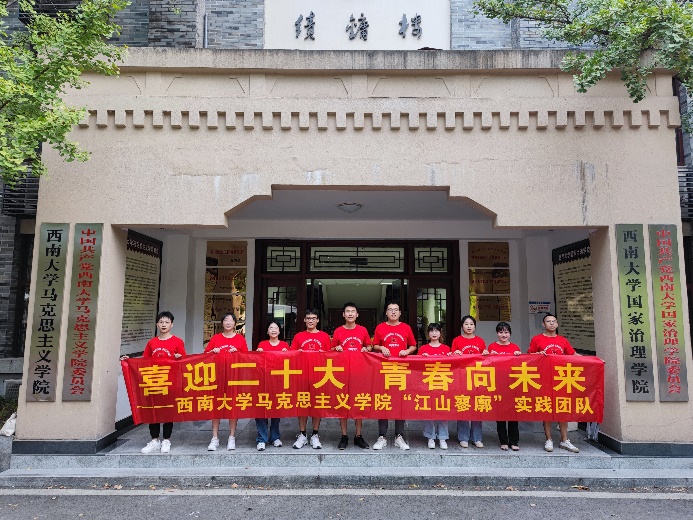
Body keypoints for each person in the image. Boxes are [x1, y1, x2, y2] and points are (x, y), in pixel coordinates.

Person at [122, 311, 186, 455]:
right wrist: (129, 361)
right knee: (153, 411)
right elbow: (144, 361)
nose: (164, 325)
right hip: (153, 382)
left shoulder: (177, 341)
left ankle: (166, 440)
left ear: (172, 325)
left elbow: (184, 361)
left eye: (167, 322)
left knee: (168, 411)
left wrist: (179, 358)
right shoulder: (152, 342)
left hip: (170, 382)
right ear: (157, 324)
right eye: (161, 322)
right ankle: (154, 440)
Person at [528, 313, 580, 453]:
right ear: (543, 324)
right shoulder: (537, 339)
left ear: (557, 324)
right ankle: (549, 439)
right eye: (548, 321)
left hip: (562, 379)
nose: (551, 323)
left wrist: (594, 360)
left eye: (553, 321)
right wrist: (538, 355)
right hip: (545, 378)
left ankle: (564, 440)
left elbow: (573, 355)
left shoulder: (562, 340)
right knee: (547, 408)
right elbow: (529, 356)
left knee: (562, 408)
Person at [371, 300, 417, 451]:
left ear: (400, 312)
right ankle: (382, 436)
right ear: (386, 312)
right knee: (383, 401)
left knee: (400, 403)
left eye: (396, 310)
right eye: (390, 310)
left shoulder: (406, 327)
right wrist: (381, 348)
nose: (393, 312)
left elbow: (413, 345)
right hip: (384, 370)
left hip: (401, 371)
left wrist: (407, 351)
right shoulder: (380, 327)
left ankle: (399, 436)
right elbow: (374, 345)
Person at [204, 312, 248, 451]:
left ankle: (231, 437)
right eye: (226, 320)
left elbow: (247, 358)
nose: (228, 323)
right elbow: (205, 356)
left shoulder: (240, 339)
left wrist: (238, 353)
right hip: (217, 378)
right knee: (216, 407)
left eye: (231, 320)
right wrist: (213, 352)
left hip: (234, 378)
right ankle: (214, 438)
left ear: (235, 324)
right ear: (222, 323)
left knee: (232, 407)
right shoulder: (216, 338)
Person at [331, 302, 371, 450]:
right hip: (342, 373)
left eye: (353, 311)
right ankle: (344, 435)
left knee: (358, 402)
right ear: (343, 314)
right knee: (343, 402)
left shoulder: (362, 330)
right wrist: (336, 348)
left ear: (357, 314)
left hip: (359, 372)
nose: (350, 314)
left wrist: (366, 349)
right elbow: (331, 350)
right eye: (347, 311)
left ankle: (358, 435)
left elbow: (369, 346)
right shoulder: (338, 331)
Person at [291, 309, 331, 450]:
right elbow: (291, 355)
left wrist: (323, 354)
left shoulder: (324, 336)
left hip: (319, 376)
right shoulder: (299, 336)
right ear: (304, 320)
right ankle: (302, 434)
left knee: (317, 404)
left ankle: (315, 434)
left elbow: (330, 356)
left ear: (318, 320)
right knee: (302, 404)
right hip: (302, 375)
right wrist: (298, 353)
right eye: (308, 318)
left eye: (314, 318)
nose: (311, 320)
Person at [452, 315, 488, 448]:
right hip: (462, 377)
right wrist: (455, 354)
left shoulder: (480, 341)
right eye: (466, 324)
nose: (469, 326)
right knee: (463, 405)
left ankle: (477, 437)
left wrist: (486, 354)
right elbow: (451, 359)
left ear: (475, 326)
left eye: (471, 324)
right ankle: (463, 437)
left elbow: (485, 360)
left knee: (477, 407)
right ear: (462, 326)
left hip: (477, 377)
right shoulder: (457, 340)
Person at [254, 321, 288, 451]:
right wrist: (258, 354)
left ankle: (275, 437)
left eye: (276, 328)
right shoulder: (262, 344)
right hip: (263, 381)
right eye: (271, 328)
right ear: (267, 331)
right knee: (261, 409)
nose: (273, 330)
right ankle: (261, 438)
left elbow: (291, 362)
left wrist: (287, 354)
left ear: (279, 331)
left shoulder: (284, 345)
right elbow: (257, 364)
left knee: (276, 410)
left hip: (278, 382)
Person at [488, 322, 521, 451]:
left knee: (513, 414)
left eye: (506, 332)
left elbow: (520, 365)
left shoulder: (515, 347)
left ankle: (514, 441)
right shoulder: (492, 347)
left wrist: (519, 356)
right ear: (497, 333)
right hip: (498, 384)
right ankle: (503, 441)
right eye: (501, 332)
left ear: (510, 334)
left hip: (513, 384)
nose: (504, 335)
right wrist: (490, 355)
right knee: (500, 414)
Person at [419, 323, 451, 449]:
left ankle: (443, 437)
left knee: (443, 410)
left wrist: (451, 357)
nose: (434, 333)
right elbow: (417, 368)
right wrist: (422, 359)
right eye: (431, 331)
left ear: (440, 333)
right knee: (429, 411)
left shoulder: (446, 349)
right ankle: (430, 436)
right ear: (428, 333)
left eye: (436, 331)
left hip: (443, 383)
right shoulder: (423, 349)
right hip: (428, 384)